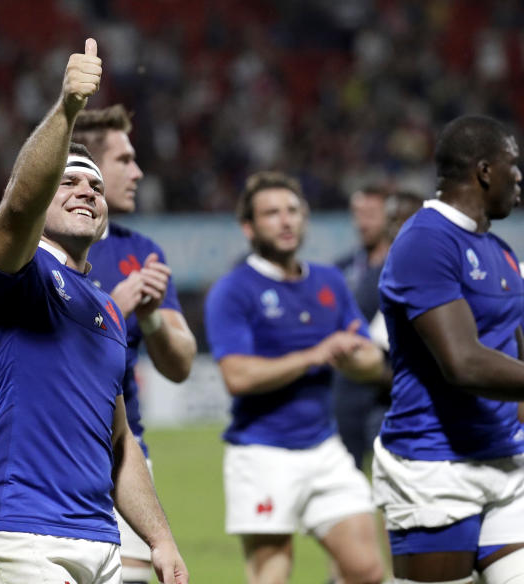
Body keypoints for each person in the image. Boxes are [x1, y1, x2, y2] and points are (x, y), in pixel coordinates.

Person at [0, 39, 187, 584]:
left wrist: (161, 540)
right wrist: (66, 109)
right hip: (18, 532)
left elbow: (120, 441)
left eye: (95, 185)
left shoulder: (108, 309)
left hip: (98, 536)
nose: (86, 190)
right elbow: (17, 205)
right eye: (68, 181)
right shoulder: (15, 270)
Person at [205, 171, 386, 584]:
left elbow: (373, 361)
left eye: (292, 211)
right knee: (272, 576)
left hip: (324, 448)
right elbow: (237, 376)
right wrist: (314, 355)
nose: (285, 221)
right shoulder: (233, 289)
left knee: (368, 572)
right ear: (249, 227)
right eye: (271, 213)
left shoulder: (329, 281)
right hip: (262, 454)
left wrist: (349, 356)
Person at [374, 114, 524, 583]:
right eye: (512, 165)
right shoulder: (425, 241)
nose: (519, 177)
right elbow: (463, 363)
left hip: (505, 461)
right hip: (434, 467)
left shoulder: (499, 249)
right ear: (484, 171)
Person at [72, 104, 197, 584]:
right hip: (47, 450)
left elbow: (182, 364)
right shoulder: (35, 247)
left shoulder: (141, 253)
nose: (138, 172)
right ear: (89, 168)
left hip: (123, 449)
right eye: (124, 160)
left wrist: (152, 320)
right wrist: (114, 309)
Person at [331, 186, 392, 470]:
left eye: (371, 214)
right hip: (347, 391)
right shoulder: (341, 269)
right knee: (345, 483)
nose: (362, 222)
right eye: (357, 214)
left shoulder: (405, 266)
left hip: (389, 389)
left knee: (395, 485)